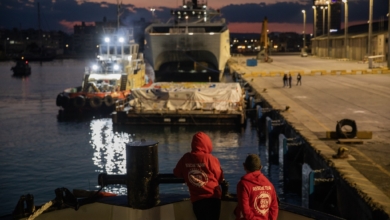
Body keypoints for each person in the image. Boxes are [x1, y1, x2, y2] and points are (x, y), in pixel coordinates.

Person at [173, 131, 224, 220]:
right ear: (207, 144)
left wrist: (187, 174)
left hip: (197, 200)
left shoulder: (186, 158)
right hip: (213, 198)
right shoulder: (210, 159)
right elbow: (219, 177)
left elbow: (177, 172)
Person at [235, 154, 279, 220]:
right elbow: (274, 208)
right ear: (261, 167)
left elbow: (245, 210)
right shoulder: (270, 185)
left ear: (244, 166)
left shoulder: (243, 185)